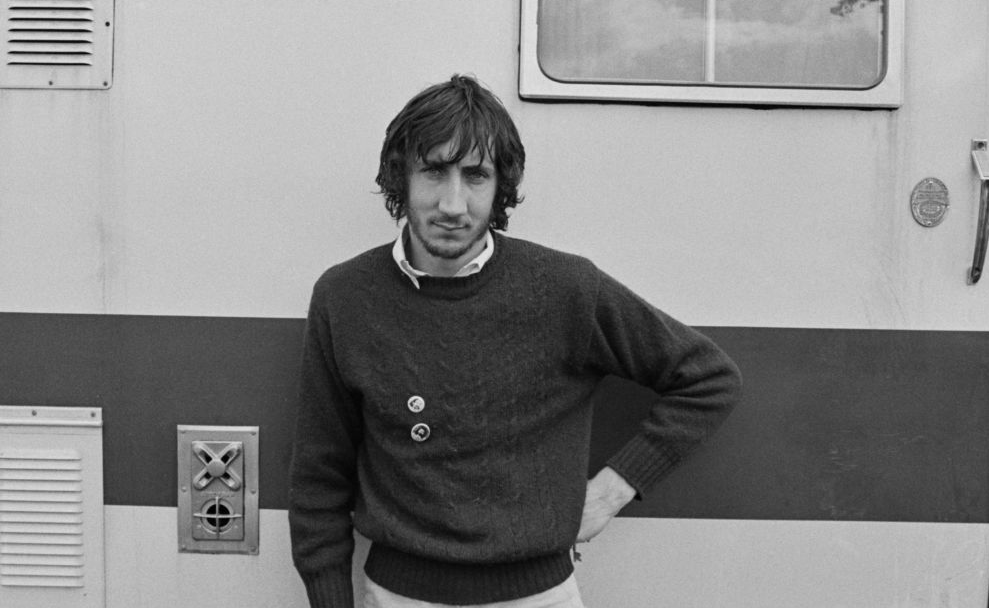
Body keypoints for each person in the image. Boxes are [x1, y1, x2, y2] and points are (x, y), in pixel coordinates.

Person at [288, 75, 741, 608]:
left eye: (475, 175)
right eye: (433, 171)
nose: (452, 204)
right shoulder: (344, 297)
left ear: (500, 186)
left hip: (539, 597)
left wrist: (611, 492)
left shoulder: (566, 288)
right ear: (400, 177)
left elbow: (708, 378)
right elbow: (319, 477)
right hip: (396, 596)